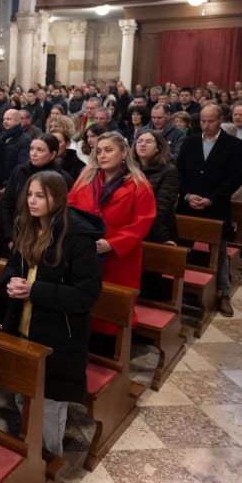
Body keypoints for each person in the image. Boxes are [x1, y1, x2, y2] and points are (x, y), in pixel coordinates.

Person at [0, 171, 104, 456]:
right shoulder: (27, 227)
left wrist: (34, 291)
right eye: (30, 195)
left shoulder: (77, 238)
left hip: (58, 338)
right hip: (22, 328)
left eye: (40, 196)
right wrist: (10, 280)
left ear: (58, 198)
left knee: (48, 408)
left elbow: (87, 295)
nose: (32, 201)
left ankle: (48, 462)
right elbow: (13, 266)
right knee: (22, 397)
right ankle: (27, 458)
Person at [68, 132, 156, 335]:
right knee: (85, 304)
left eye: (108, 150)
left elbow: (142, 223)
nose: (102, 156)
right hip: (85, 252)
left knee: (112, 310)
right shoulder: (86, 178)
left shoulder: (139, 184)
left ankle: (112, 347)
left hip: (119, 257)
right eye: (99, 151)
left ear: (124, 152)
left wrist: (113, 244)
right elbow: (70, 208)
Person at [176, 104, 242, 317]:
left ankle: (222, 293)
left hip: (216, 206)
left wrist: (211, 199)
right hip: (188, 205)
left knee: (220, 251)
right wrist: (187, 195)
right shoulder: (190, 142)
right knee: (182, 248)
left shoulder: (233, 145)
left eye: (211, 121)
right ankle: (180, 290)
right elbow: (178, 172)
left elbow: (235, 178)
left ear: (221, 120)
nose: (205, 125)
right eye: (202, 121)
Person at [131, 129, 179, 244]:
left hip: (157, 232)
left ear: (158, 147)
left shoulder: (169, 171)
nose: (142, 144)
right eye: (139, 141)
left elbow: (161, 209)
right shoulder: (129, 169)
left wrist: (162, 237)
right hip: (132, 229)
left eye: (148, 141)